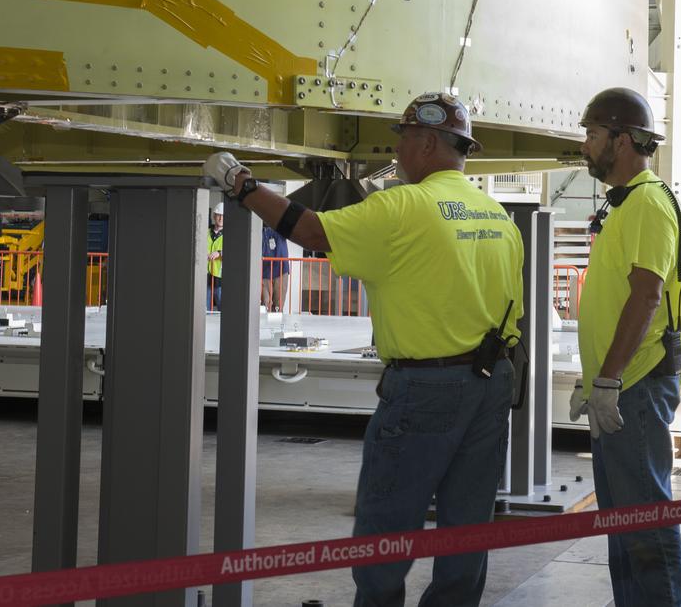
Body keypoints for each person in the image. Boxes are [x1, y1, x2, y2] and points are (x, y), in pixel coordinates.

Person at [204, 91, 524, 607]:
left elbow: (312, 230)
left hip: (424, 387)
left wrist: (242, 186)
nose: (396, 155)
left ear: (424, 143)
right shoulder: (497, 216)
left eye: (401, 142)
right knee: (468, 528)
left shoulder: (403, 205)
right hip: (490, 385)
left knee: (385, 524)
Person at [572, 87, 681, 607]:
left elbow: (645, 297)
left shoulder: (646, 202)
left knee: (644, 521)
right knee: (623, 522)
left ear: (622, 140)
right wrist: (594, 376)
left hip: (635, 386)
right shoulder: (625, 204)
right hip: (621, 385)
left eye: (593, 135)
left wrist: (609, 379)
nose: (586, 146)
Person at [261, 221, 291, 312]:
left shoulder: (280, 226)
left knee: (278, 306)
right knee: (265, 305)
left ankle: (277, 326)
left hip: (280, 271)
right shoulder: (258, 228)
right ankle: (265, 326)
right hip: (263, 273)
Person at [207, 201, 224, 310]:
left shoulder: (231, 234)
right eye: (219, 215)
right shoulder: (206, 232)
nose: (221, 218)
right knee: (205, 309)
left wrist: (220, 253)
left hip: (221, 277)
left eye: (223, 216)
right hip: (206, 276)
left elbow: (235, 250)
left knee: (223, 309)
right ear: (214, 216)